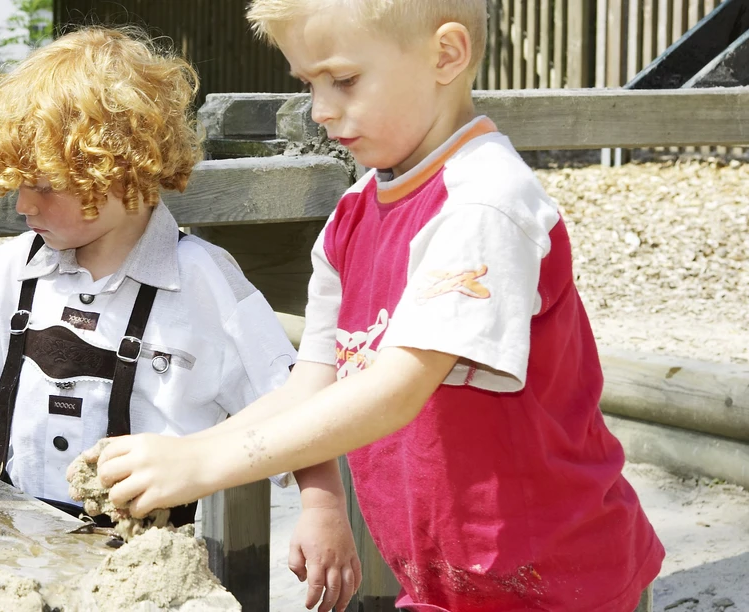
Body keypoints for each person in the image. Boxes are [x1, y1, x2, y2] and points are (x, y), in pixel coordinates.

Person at [84, 2, 665, 611]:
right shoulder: (355, 212)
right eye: (309, 84)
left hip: (557, 577)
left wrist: (205, 461)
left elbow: (396, 389)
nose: (321, 109)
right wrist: (197, 452)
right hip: (446, 579)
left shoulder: (484, 203)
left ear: (446, 55)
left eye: (345, 80)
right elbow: (313, 383)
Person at [0, 26, 363, 612]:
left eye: (45, 185)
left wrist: (323, 509)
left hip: (140, 570)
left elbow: (292, 405)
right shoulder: (10, 274)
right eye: (17, 185)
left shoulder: (203, 283)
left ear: (121, 169)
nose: (24, 204)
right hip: (10, 546)